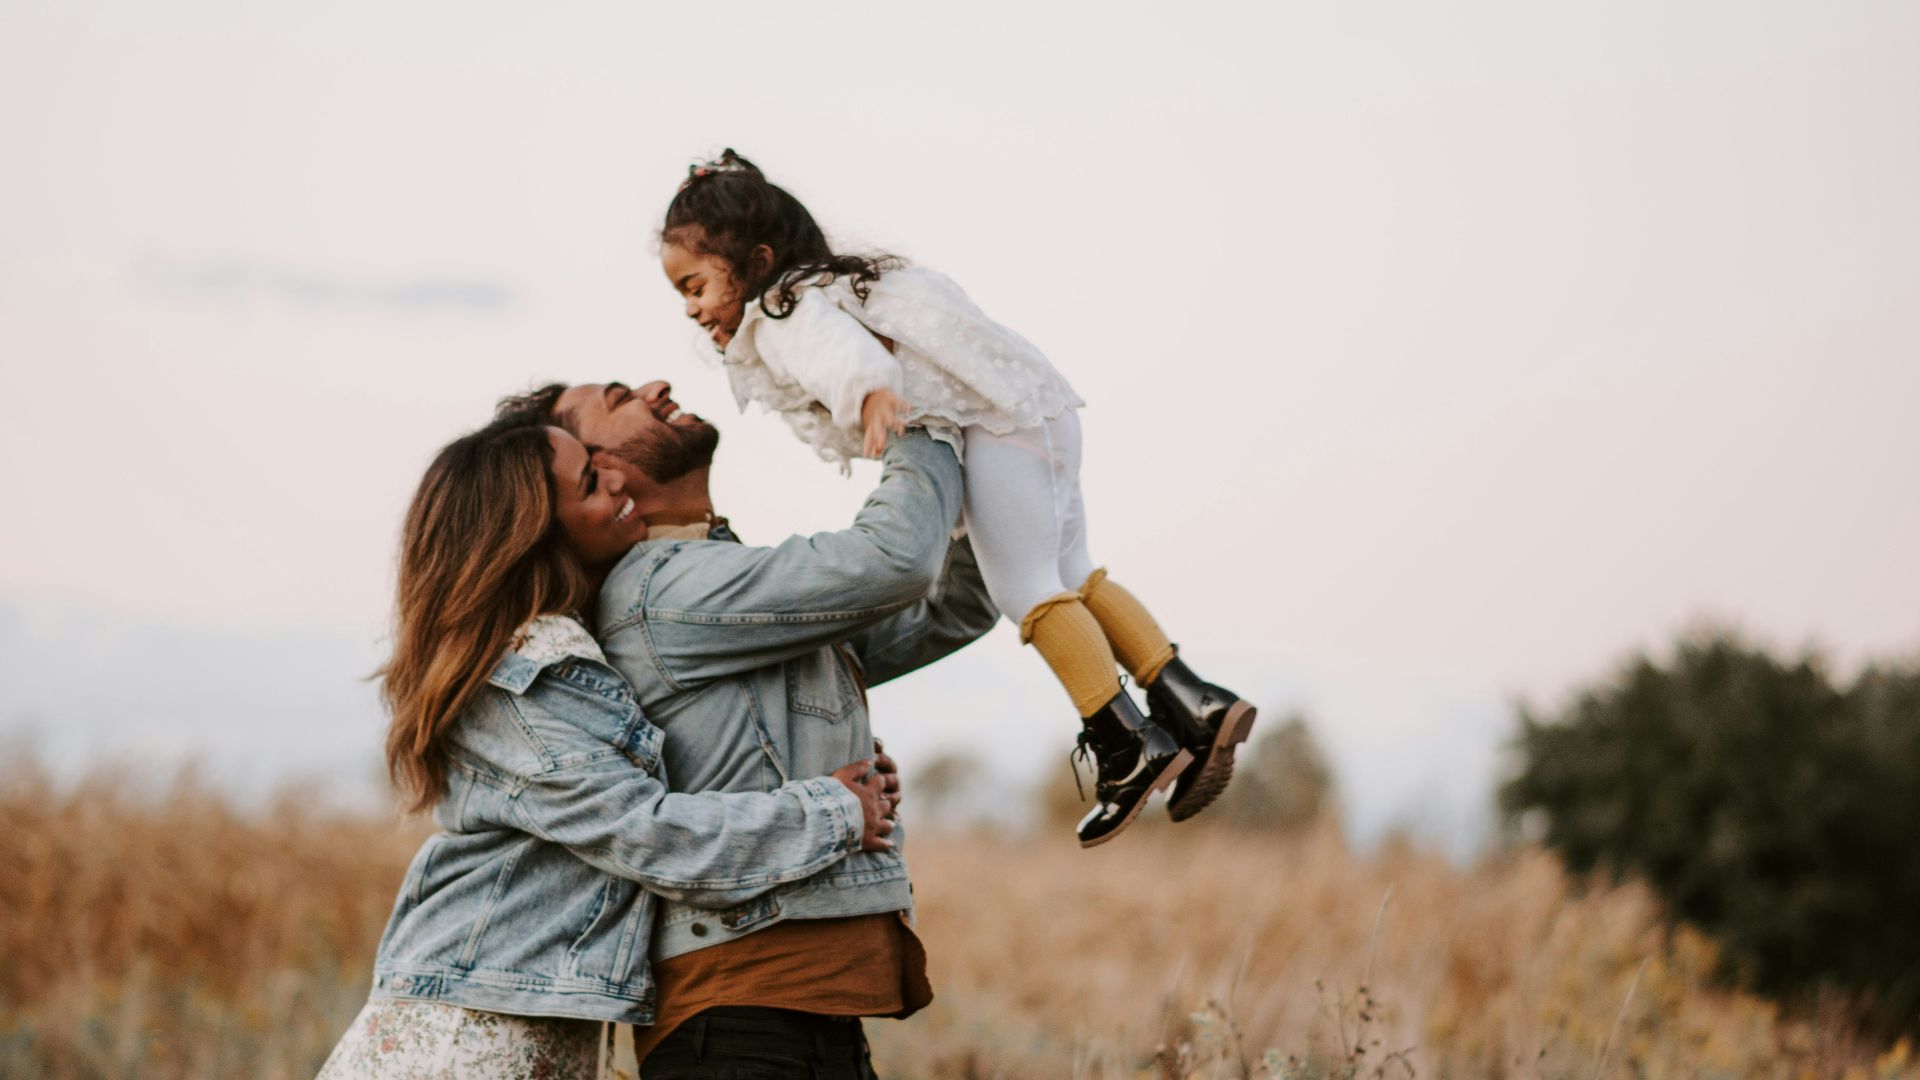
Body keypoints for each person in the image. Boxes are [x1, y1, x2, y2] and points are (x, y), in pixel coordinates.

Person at [655, 149, 1257, 847]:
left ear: (755, 261)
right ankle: (1194, 701)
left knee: (1028, 593)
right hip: (1035, 409)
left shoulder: (784, 314)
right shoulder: (839, 285)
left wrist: (870, 392)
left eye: (694, 286)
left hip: (991, 430)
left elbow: (835, 355)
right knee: (1076, 575)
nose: (693, 309)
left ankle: (1126, 741)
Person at [318, 415, 904, 1079]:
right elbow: (645, 833)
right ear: (534, 530)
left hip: (523, 1028)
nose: (617, 481)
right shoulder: (520, 683)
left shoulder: (584, 648)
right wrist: (835, 812)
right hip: (462, 1041)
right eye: (591, 482)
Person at [501, 378, 1000, 1079]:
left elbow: (955, 607)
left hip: (797, 1015)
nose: (655, 386)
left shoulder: (724, 582)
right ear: (600, 470)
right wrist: (926, 414)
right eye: (618, 399)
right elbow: (897, 561)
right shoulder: (662, 593)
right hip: (739, 1021)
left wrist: (1004, 469)